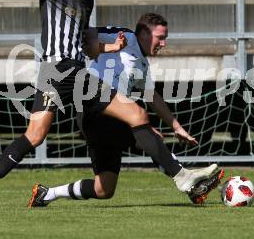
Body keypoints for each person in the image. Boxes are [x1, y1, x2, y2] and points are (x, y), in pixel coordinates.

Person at [0, 0, 217, 211]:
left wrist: (109, 48)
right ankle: (182, 176)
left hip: (64, 73)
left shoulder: (86, 1)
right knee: (45, 134)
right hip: (62, 71)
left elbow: (87, 47)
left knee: (43, 136)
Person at [28, 13, 224, 207]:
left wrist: (176, 126)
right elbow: (87, 32)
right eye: (160, 38)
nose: (163, 44)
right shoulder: (126, 37)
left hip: (107, 120)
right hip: (95, 111)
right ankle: (185, 179)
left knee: (104, 189)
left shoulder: (142, 64)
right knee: (147, 135)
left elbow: (152, 96)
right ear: (144, 34)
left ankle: (47, 194)